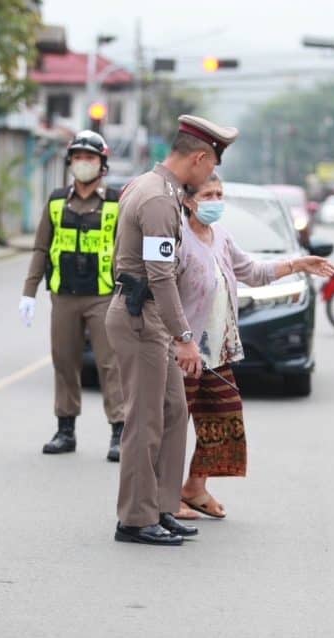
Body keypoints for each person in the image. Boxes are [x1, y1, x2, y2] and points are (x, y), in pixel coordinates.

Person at [106, 114, 238, 546]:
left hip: (151, 318)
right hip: (142, 317)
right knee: (145, 422)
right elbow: (160, 276)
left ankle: (162, 506)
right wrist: (185, 338)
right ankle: (135, 518)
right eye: (211, 166)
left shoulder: (159, 189)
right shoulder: (159, 200)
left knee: (174, 413)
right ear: (198, 158)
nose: (212, 174)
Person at [173, 173, 334, 520]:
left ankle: (195, 487)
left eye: (220, 194)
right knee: (173, 422)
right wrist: (179, 340)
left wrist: (297, 263)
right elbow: (163, 292)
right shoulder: (178, 240)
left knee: (224, 415)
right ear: (188, 200)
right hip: (184, 350)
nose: (216, 200)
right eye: (208, 194)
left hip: (217, 348)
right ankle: (165, 495)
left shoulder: (222, 237)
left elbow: (253, 271)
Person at [19, 131, 125, 461]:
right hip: (63, 295)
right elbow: (41, 248)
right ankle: (65, 430)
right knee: (65, 362)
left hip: (103, 295)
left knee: (111, 364)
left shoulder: (115, 202)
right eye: (78, 158)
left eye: (90, 158)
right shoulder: (55, 201)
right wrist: (29, 292)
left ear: (102, 165)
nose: (83, 163)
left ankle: (119, 432)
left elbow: (127, 249)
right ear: (70, 163)